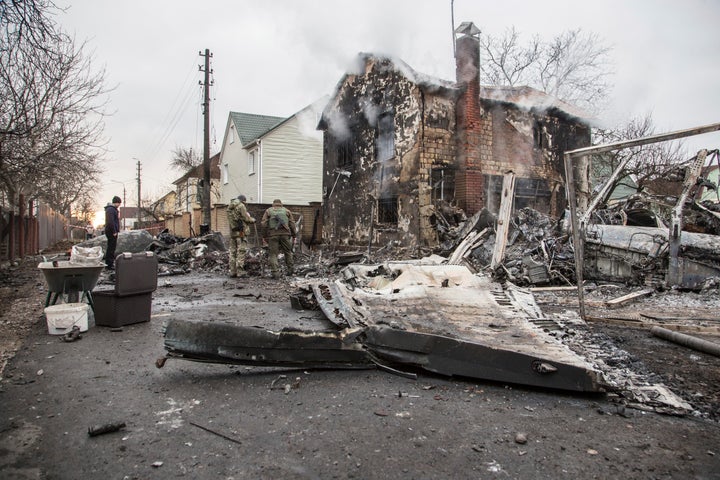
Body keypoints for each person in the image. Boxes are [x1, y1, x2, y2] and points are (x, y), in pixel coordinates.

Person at [261, 199, 296, 279]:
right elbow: (292, 223)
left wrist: (264, 236)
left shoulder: (268, 211)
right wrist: (294, 235)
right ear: (281, 204)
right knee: (288, 252)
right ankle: (290, 270)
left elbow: (263, 224)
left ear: (273, 204)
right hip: (285, 234)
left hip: (273, 234)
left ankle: (275, 273)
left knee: (273, 254)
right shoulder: (287, 211)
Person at [226, 195, 255, 278]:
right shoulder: (241, 206)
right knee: (241, 251)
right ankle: (240, 272)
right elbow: (246, 218)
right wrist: (252, 220)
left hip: (233, 232)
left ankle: (232, 271)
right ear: (243, 201)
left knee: (232, 252)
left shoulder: (230, 206)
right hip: (241, 233)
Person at [103, 196, 122, 270]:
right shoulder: (111, 210)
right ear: (116, 202)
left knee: (111, 247)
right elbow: (110, 222)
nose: (119, 205)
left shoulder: (112, 209)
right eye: (119, 203)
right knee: (111, 248)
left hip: (111, 231)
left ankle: (109, 263)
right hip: (111, 231)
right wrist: (114, 231)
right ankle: (109, 264)